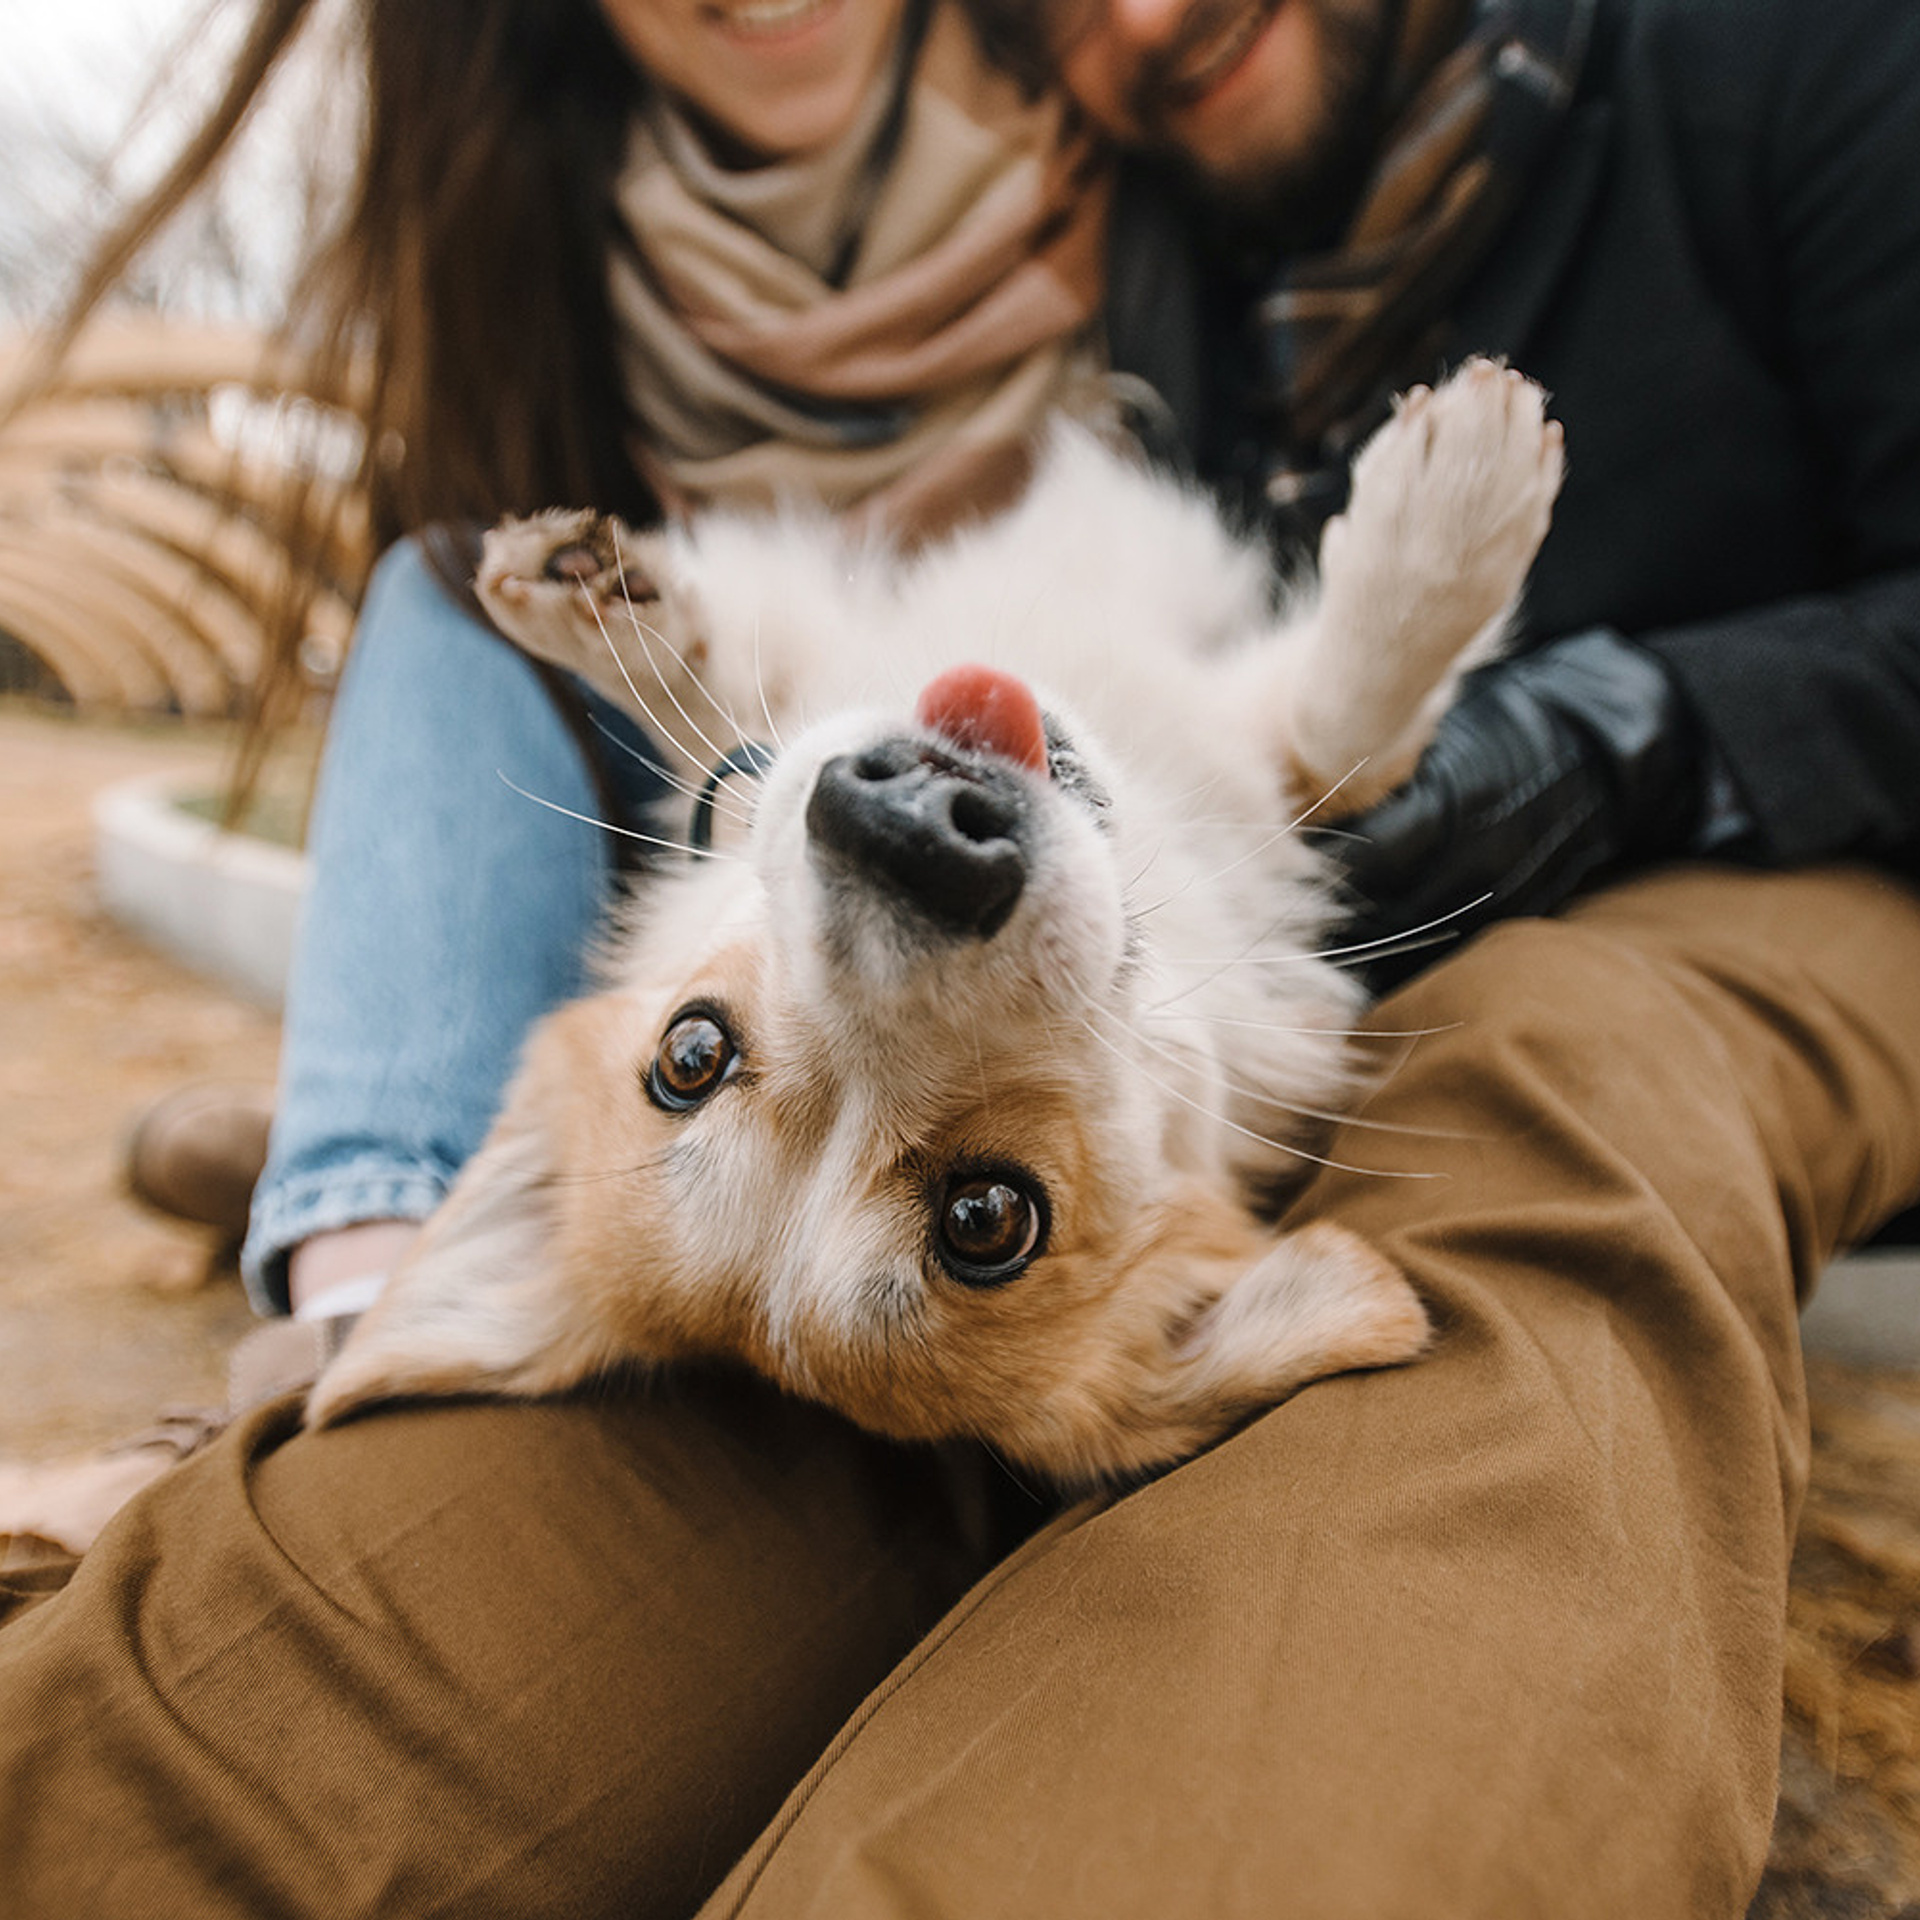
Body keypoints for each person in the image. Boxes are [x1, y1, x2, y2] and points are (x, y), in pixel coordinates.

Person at [3, 0, 1919, 1915]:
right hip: (1205, 927)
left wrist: (1607, 737)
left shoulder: (1773, 61)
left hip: (1769, 857)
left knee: (1531, 1072)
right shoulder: (1141, 217)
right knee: (788, 1397)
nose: (1141, 19)